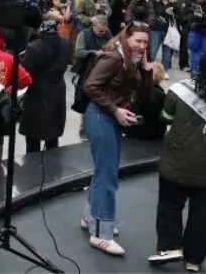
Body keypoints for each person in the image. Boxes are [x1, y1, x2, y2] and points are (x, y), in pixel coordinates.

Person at [149, 52, 206, 270]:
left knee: (170, 205)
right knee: (204, 215)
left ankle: (171, 247)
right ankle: (193, 260)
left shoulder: (179, 91)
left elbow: (166, 117)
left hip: (176, 162)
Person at [81, 23, 149, 256]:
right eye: (138, 41)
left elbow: (145, 96)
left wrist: (147, 68)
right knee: (107, 176)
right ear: (126, 38)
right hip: (100, 118)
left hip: (107, 118)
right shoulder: (113, 58)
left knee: (103, 172)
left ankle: (91, 217)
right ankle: (101, 233)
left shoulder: (132, 60)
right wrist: (115, 110)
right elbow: (90, 86)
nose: (142, 46)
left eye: (145, 42)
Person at [20, 20, 71, 154]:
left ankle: (32, 168)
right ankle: (53, 167)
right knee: (53, 135)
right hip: (57, 89)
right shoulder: (65, 45)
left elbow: (25, 69)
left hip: (37, 92)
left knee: (33, 136)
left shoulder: (35, 47)